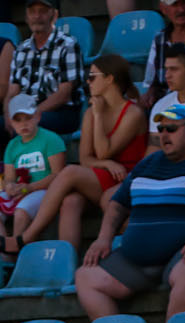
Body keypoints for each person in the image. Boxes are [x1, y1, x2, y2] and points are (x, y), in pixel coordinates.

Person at [72, 99, 185, 322]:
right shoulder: (148, 163)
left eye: (171, 129)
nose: (164, 134)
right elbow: (117, 203)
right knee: (86, 276)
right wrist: (104, 238)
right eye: (160, 129)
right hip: (137, 258)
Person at [55, 54, 147, 254]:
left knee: (70, 172)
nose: (88, 82)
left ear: (109, 79)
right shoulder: (90, 113)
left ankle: (27, 236)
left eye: (92, 77)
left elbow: (104, 151)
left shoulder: (133, 113)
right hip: (106, 174)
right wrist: (106, 164)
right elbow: (85, 159)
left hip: (127, 177)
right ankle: (65, 265)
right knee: (71, 201)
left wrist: (97, 115)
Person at [11, 0, 87, 139]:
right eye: (32, 12)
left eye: (42, 11)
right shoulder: (21, 49)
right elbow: (12, 91)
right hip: (25, 112)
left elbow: (64, 94)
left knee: (29, 127)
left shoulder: (68, 45)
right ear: (26, 17)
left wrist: (32, 114)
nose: (37, 16)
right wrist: (8, 115)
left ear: (54, 15)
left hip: (62, 111)